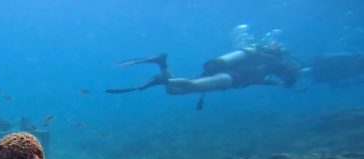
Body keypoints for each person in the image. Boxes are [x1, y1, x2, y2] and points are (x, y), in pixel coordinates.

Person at [106, 28, 303, 106]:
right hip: (230, 78)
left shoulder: (260, 60)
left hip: (224, 73)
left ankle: (161, 63)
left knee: (174, 91)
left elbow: (261, 80)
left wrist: (274, 84)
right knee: (191, 85)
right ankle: (160, 78)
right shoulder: (272, 62)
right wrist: (289, 80)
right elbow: (287, 75)